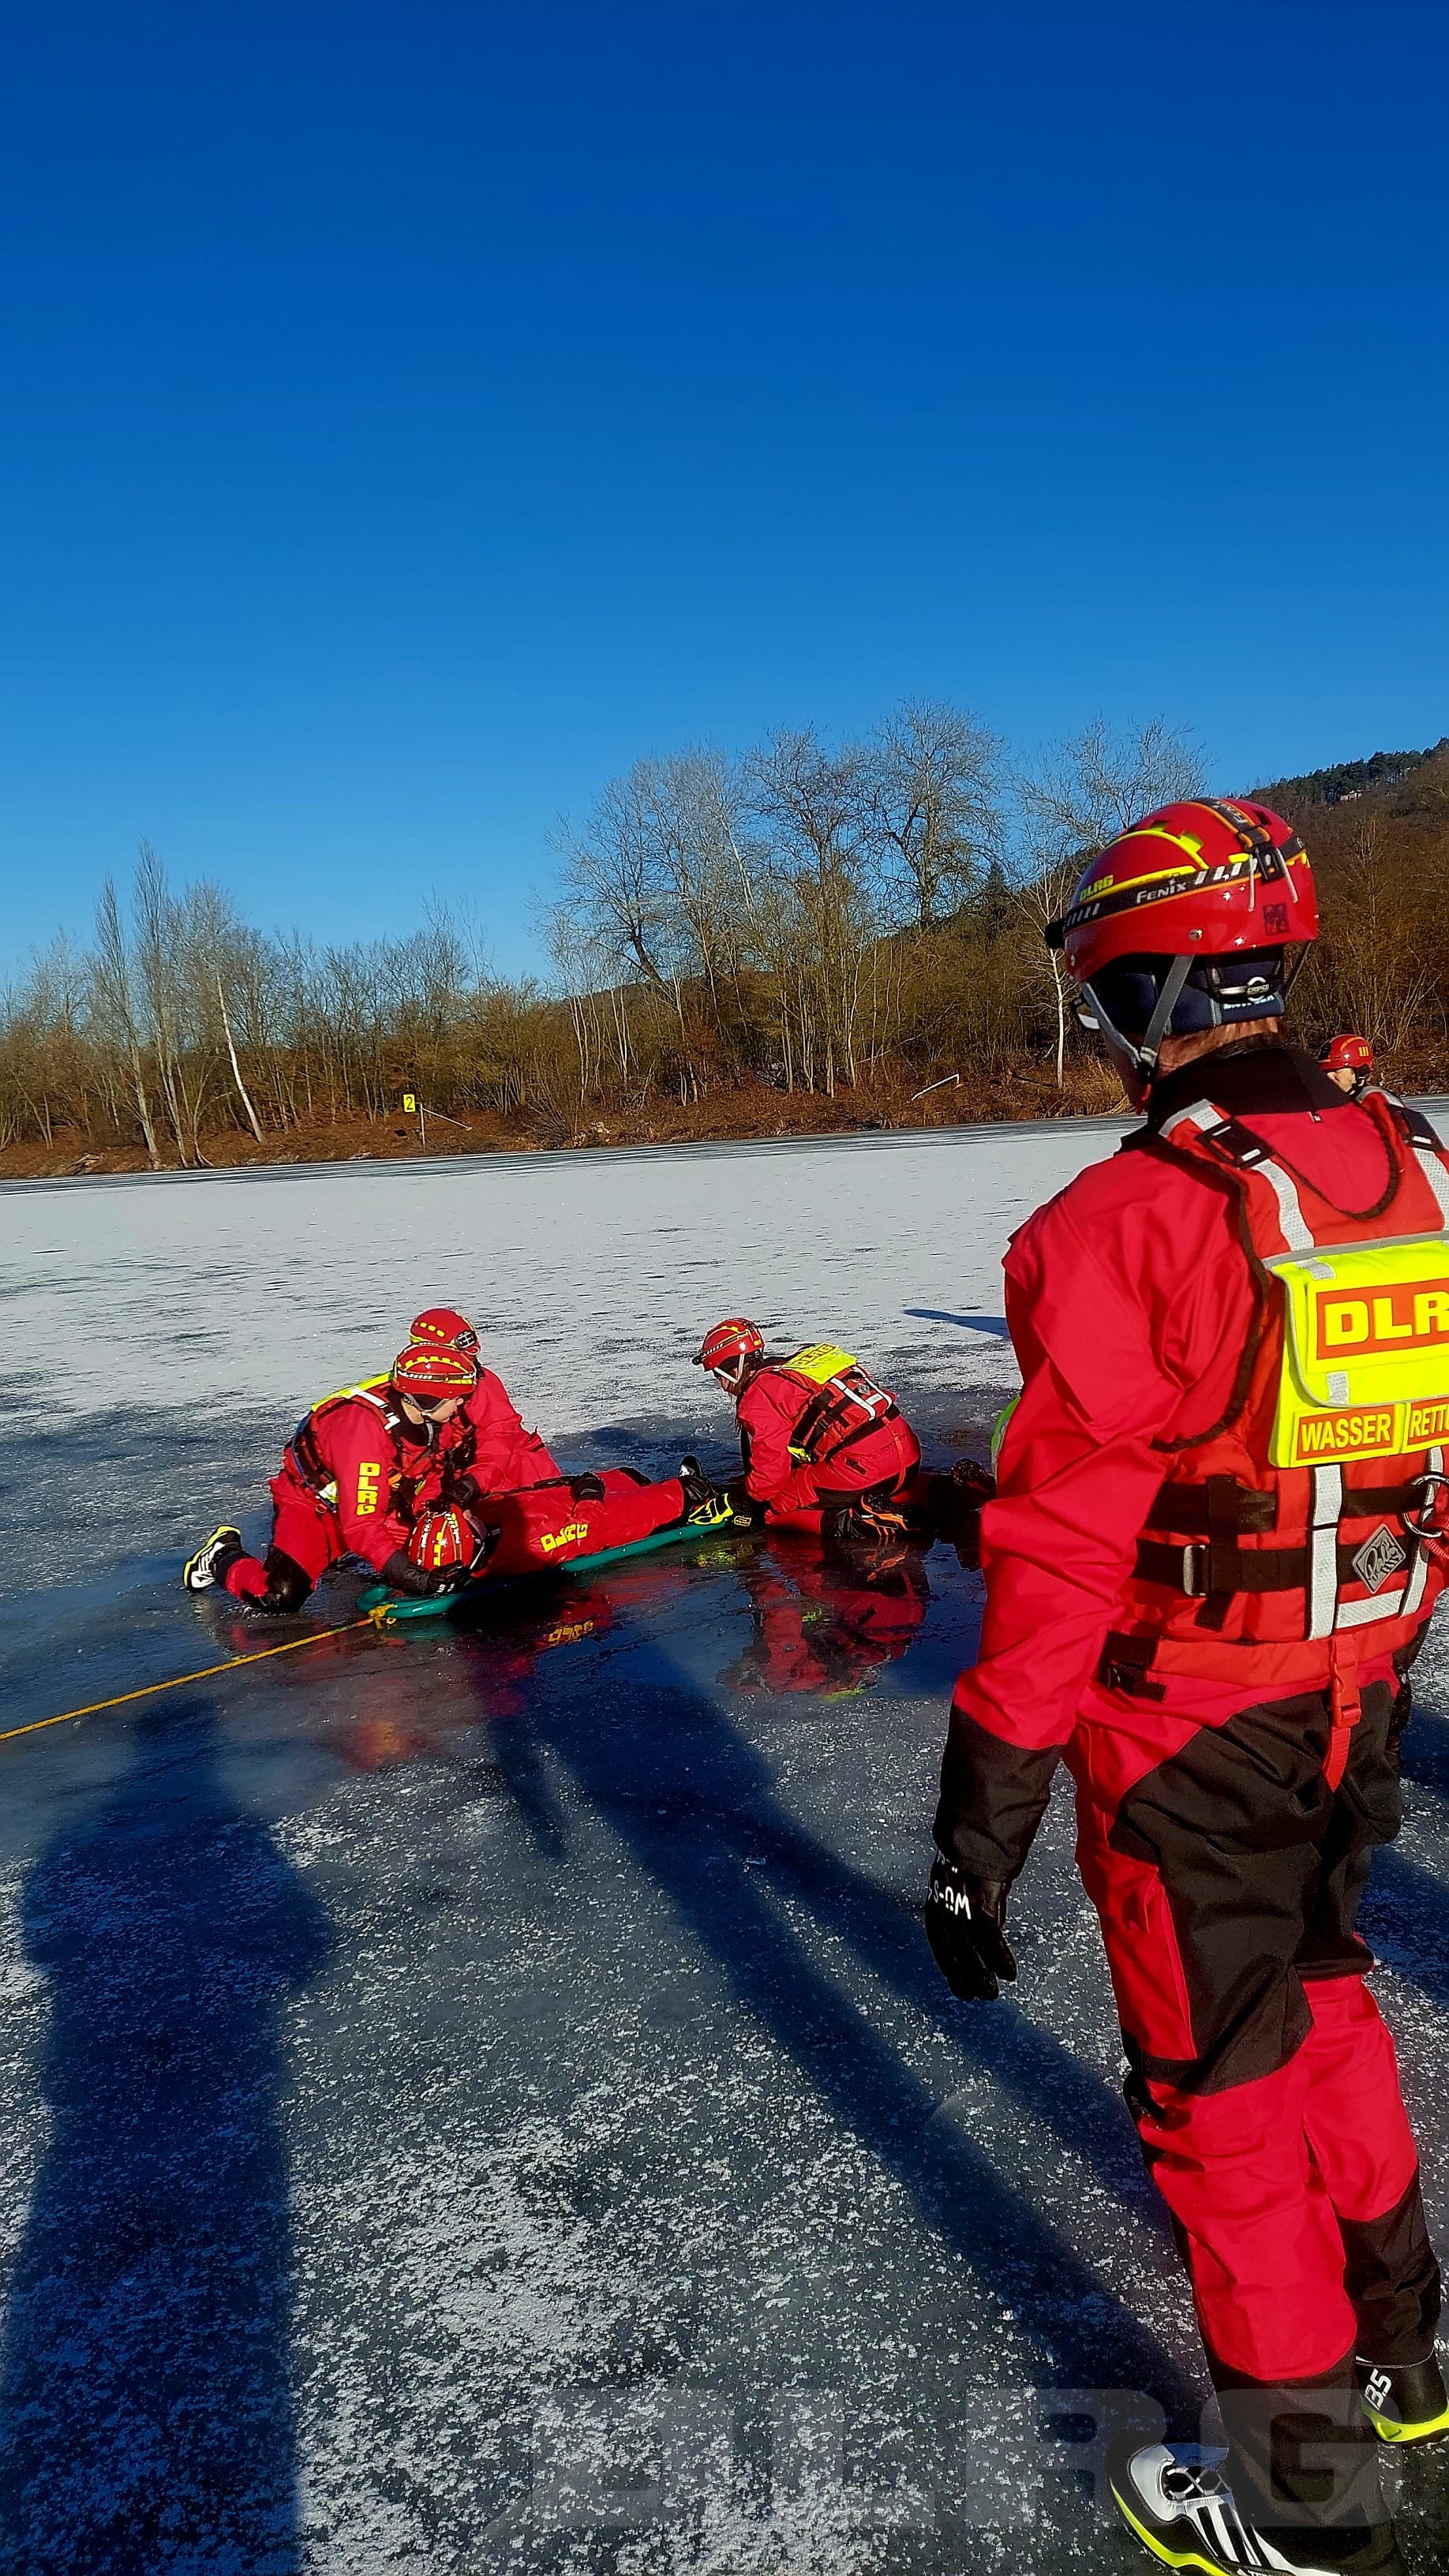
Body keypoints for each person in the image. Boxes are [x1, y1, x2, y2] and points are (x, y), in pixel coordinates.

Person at [923, 798, 1449, 2576]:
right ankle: (1404, 2355)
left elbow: (1059, 1548)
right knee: (1330, 1988)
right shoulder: (1416, 1168)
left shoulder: (1120, 1220)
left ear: (1139, 994)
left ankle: (1305, 2504)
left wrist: (983, 1816)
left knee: (1216, 2097)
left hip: (1187, 1728)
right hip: (1362, 1689)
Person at [692, 1320, 922, 1543]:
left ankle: (858, 1524)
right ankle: (926, 1494)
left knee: (773, 1507)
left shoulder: (759, 1396)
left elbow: (770, 1478)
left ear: (732, 1369)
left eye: (718, 1375)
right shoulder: (797, 1367)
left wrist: (737, 1501)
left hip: (864, 1467)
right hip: (909, 1455)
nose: (721, 1385)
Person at [1320, 1033, 1376, 1098]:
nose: (1329, 1076)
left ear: (1361, 1073)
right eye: (1325, 1071)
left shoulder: (1377, 1102)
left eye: (1335, 1070)